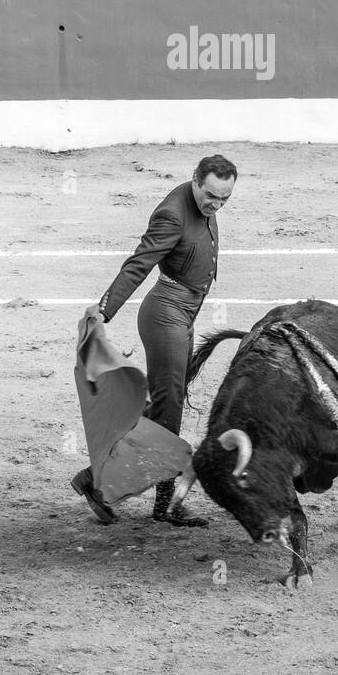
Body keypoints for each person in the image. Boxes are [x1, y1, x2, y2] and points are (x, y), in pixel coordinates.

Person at [73, 155, 238, 526]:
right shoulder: (173, 214)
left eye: (225, 199)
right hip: (166, 315)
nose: (216, 205)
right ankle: (149, 499)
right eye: (211, 196)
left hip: (184, 314)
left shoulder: (202, 202)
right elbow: (139, 263)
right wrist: (106, 308)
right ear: (195, 181)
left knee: (164, 408)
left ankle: (101, 481)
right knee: (168, 413)